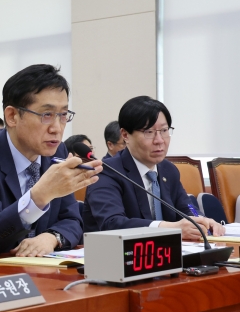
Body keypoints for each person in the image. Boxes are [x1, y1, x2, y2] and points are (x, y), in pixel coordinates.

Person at [0, 64, 102, 259]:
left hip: (35, 272)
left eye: (63, 115)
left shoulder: (56, 151)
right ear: (12, 116)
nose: (57, 128)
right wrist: (39, 196)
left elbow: (73, 219)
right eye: (47, 115)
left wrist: (51, 238)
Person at [83, 96, 224, 239]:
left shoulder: (169, 170)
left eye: (164, 130)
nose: (159, 140)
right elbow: (112, 224)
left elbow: (186, 207)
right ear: (125, 135)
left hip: (166, 254)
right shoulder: (106, 172)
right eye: (149, 132)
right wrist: (171, 228)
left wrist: (200, 219)